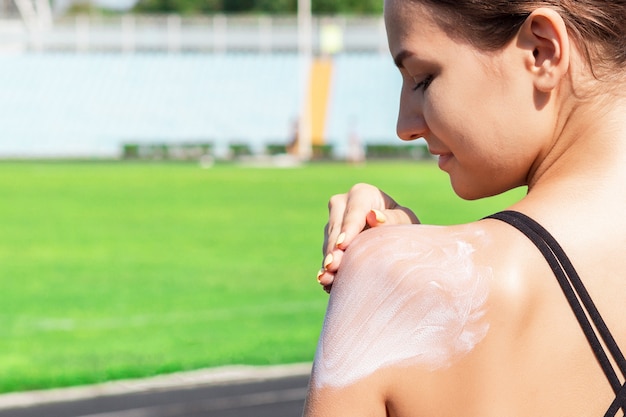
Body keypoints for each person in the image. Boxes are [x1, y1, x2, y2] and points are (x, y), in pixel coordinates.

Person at [304, 0, 626, 416]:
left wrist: (388, 267)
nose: (404, 126)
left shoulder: (401, 283)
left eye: (422, 78)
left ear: (541, 51)